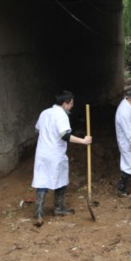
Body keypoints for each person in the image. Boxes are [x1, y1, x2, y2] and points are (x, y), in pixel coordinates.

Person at [31, 90, 92, 227]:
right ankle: (59, 208)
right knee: (60, 179)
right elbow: (65, 135)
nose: (72, 106)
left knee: (42, 180)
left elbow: (37, 130)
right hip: (55, 154)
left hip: (42, 153)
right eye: (71, 104)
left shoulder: (44, 113)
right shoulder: (61, 115)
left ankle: (39, 214)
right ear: (65, 103)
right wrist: (83, 141)